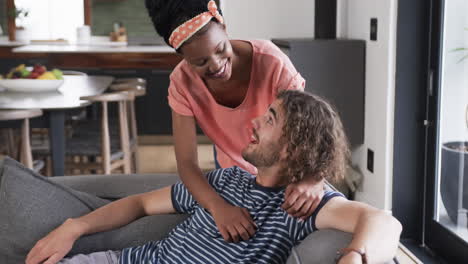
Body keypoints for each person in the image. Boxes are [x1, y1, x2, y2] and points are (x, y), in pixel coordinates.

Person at [25, 90, 402, 264]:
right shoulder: (225, 181)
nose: (254, 121)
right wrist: (72, 228)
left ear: (293, 148)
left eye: (269, 120)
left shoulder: (302, 206)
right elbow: (140, 203)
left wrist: (355, 257)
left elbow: (384, 223)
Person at [145, 0, 325, 242]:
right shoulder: (182, 83)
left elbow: (309, 130)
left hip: (284, 175)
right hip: (231, 181)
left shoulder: (272, 61)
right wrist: (218, 207)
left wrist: (313, 178)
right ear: (183, 57)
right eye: (200, 62)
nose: (216, 65)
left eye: (220, 49)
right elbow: (187, 163)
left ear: (224, 26)